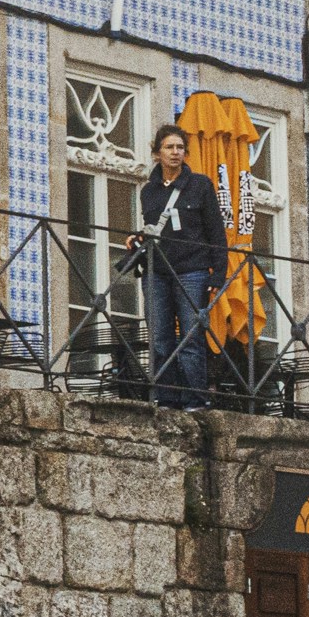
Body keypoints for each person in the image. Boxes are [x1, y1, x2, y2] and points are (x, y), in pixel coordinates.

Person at [133, 128, 229, 410]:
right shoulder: (148, 191)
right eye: (169, 147)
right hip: (157, 270)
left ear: (186, 153)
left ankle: (195, 398)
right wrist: (137, 237)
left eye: (180, 147)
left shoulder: (200, 185)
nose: (175, 152)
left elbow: (216, 231)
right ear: (157, 153)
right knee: (159, 337)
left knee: (190, 337)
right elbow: (154, 229)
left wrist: (219, 272)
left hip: (193, 270)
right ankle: (166, 397)